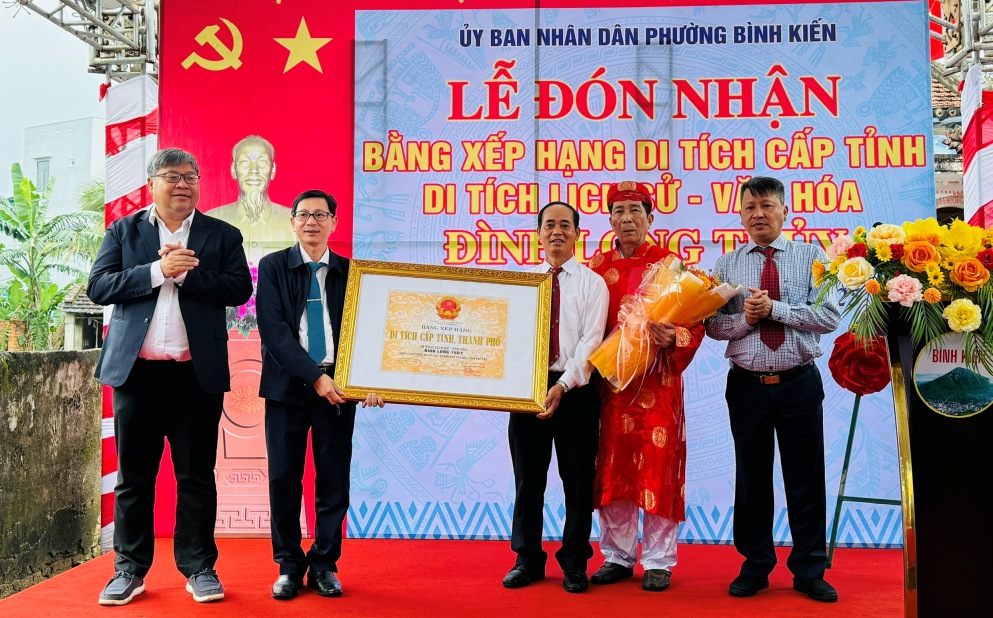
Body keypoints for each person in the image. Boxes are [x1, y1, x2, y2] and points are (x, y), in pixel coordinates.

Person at [88, 148, 253, 606]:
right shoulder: (124, 231)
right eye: (172, 176)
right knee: (134, 479)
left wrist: (186, 276)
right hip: (136, 375)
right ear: (151, 184)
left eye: (190, 177)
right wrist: (157, 271)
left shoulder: (222, 234)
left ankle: (199, 568)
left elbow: (239, 288)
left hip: (194, 377)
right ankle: (129, 570)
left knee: (196, 476)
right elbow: (99, 286)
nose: (183, 184)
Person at [705, 176, 841, 603]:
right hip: (746, 386)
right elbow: (712, 326)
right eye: (749, 207)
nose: (758, 214)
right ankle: (756, 564)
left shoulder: (811, 256)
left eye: (766, 205)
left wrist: (774, 309)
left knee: (806, 479)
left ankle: (809, 568)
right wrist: (746, 319)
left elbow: (829, 316)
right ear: (740, 216)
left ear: (785, 210)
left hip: (798, 382)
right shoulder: (726, 264)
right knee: (752, 479)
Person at [255, 189, 384, 600]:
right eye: (303, 214)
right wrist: (314, 377)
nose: (311, 221)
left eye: (320, 215)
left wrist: (372, 379)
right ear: (292, 221)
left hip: (339, 390)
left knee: (333, 480)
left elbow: (370, 330)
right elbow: (274, 331)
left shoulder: (353, 272)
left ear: (334, 223)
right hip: (287, 388)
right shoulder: (273, 267)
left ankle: (325, 564)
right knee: (283, 479)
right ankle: (289, 566)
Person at [588, 180, 704, 592]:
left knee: (658, 467)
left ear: (650, 218)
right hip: (611, 389)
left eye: (635, 210)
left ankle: (658, 560)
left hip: (659, 385)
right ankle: (617, 556)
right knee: (613, 469)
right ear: (610, 221)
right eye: (619, 211)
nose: (627, 219)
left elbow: (696, 322)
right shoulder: (595, 268)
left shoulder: (672, 266)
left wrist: (677, 337)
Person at [501, 202, 609, 593]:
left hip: (576, 392)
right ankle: (526, 559)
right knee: (528, 481)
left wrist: (562, 386)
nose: (557, 232)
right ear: (539, 234)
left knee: (577, 483)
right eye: (549, 225)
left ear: (578, 233)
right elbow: (509, 341)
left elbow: (591, 343)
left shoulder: (593, 284)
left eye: (565, 225)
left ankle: (575, 563)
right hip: (528, 392)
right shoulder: (523, 283)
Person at [209, 135, 294, 264]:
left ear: (273, 170)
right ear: (233, 170)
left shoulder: (296, 223)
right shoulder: (210, 222)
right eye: (244, 162)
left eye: (262, 162)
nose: (254, 170)